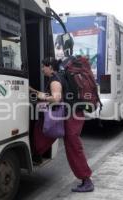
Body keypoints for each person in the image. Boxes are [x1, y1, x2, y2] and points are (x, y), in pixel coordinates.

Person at [31, 57, 94, 192]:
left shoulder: (55, 79)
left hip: (71, 117)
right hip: (72, 114)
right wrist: (37, 92)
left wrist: (44, 98)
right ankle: (36, 154)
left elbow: (56, 98)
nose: (42, 69)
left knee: (73, 147)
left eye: (43, 67)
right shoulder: (59, 77)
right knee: (45, 133)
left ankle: (86, 180)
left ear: (50, 67)